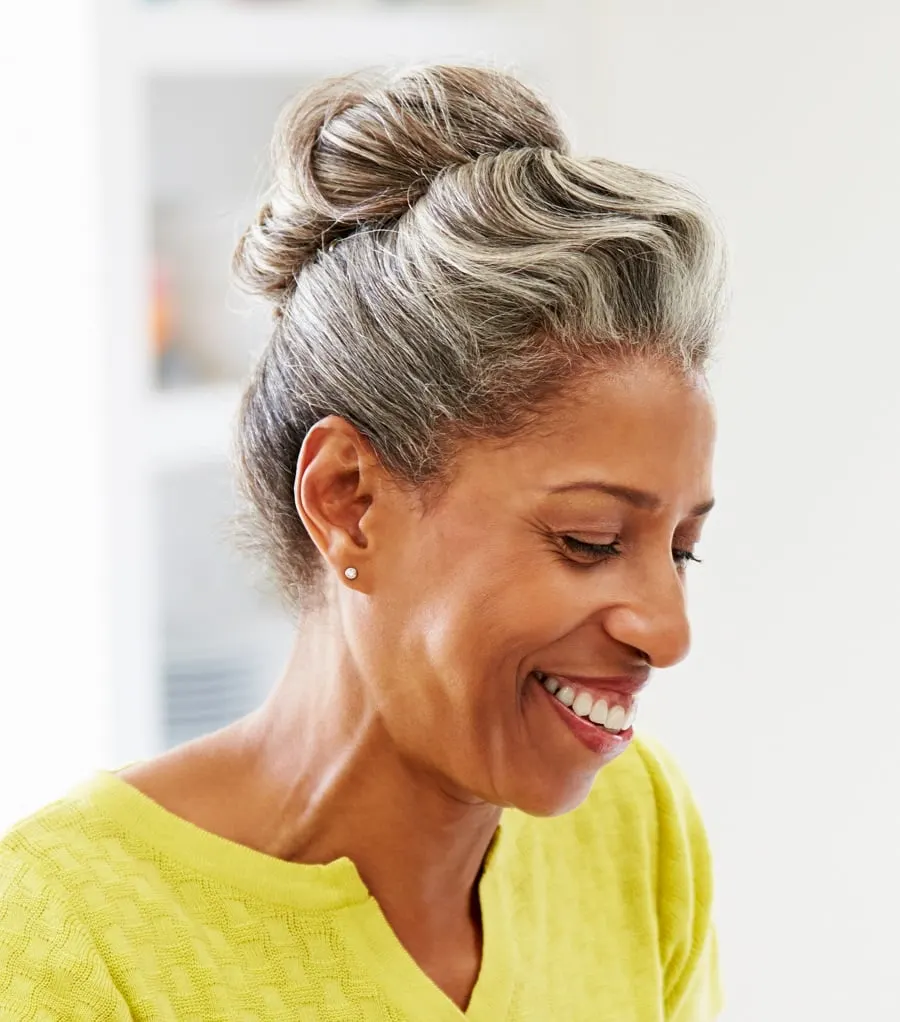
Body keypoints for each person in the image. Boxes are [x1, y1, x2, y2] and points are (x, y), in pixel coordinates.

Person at [0, 64, 726, 1020]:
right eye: (589, 541)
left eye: (680, 549)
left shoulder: (634, 828)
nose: (667, 634)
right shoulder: (64, 944)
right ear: (348, 500)